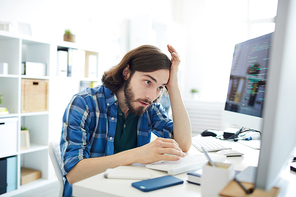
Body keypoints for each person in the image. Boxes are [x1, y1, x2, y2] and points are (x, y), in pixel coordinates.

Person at [60, 44, 192, 196]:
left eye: (160, 87)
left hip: (127, 190)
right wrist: (138, 155)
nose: (151, 96)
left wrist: (173, 86)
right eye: (148, 82)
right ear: (126, 73)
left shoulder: (149, 108)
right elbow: (74, 174)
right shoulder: (84, 103)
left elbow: (183, 144)